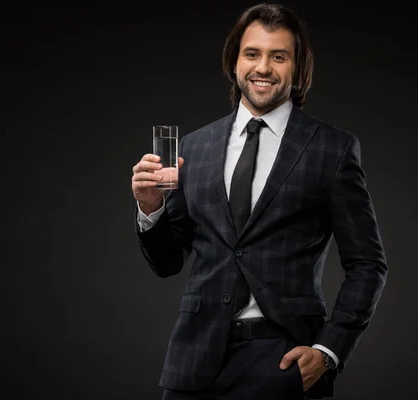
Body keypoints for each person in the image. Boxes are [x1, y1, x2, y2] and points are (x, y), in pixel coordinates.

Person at [131, 3, 388, 399]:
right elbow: (169, 263)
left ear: (297, 68)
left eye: (278, 56)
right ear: (234, 62)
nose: (263, 68)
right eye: (252, 54)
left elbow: (368, 264)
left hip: (283, 360)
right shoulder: (194, 147)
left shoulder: (332, 150)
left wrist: (328, 351)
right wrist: (152, 209)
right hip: (194, 360)